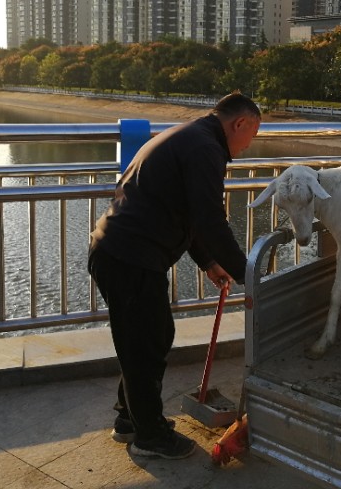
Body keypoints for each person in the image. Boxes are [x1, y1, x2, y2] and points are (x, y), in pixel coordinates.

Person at [88, 92, 261, 460]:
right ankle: (149, 436)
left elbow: (190, 214)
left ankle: (130, 420)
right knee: (146, 343)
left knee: (148, 339)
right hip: (128, 257)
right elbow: (210, 219)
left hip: (122, 253)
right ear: (240, 123)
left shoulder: (193, 136)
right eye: (252, 136)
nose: (248, 146)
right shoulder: (205, 149)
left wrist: (210, 263)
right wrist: (249, 274)